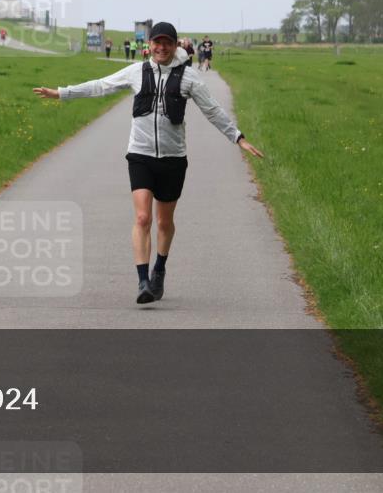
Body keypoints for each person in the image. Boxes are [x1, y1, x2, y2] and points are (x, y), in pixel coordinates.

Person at [32, 22, 263, 305]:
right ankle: (143, 282)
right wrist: (62, 93)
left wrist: (238, 138)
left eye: (168, 43)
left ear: (176, 45)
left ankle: (159, 270)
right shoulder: (137, 71)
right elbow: (102, 85)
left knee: (165, 222)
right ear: (150, 45)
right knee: (143, 218)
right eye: (157, 43)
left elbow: (212, 110)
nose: (162, 48)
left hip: (173, 159)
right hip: (140, 155)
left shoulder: (189, 78)